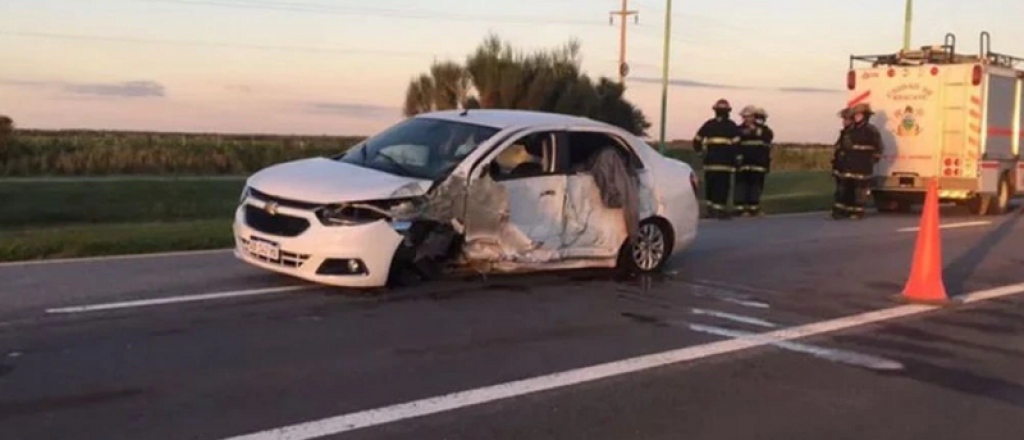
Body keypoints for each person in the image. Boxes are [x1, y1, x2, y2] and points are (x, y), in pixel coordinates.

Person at [832, 103, 883, 220]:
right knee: (845, 189)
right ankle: (841, 211)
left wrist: (873, 160)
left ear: (865, 116)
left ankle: (857, 212)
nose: (856, 117)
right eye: (855, 115)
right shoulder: (850, 130)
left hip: (863, 166)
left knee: (859, 190)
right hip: (849, 166)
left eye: (859, 115)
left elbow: (878, 147)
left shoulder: (871, 130)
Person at [694, 99, 741, 219]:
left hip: (710, 163)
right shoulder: (731, 126)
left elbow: (697, 140)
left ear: (715, 111)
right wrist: (737, 159)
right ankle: (719, 211)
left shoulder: (709, 124)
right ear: (728, 112)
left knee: (710, 186)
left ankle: (710, 210)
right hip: (725, 164)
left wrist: (700, 153)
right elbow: (737, 145)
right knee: (722, 187)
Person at [733, 106, 775, 217]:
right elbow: (735, 145)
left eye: (749, 117)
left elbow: (768, 140)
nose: (747, 119)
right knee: (741, 186)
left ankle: (754, 208)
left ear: (754, 117)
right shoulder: (738, 130)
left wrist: (756, 130)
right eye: (745, 117)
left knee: (756, 186)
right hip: (743, 164)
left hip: (758, 164)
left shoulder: (764, 130)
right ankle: (740, 209)